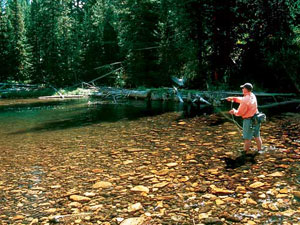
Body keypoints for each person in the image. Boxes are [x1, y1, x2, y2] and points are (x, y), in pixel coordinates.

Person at [226, 83, 262, 155]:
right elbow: (243, 99)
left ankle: (244, 153)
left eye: (243, 88)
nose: (242, 89)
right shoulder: (252, 95)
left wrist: (234, 111)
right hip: (257, 118)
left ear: (246, 89)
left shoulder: (245, 100)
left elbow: (240, 113)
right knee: (257, 136)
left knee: (247, 138)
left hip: (249, 120)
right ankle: (260, 150)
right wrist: (233, 98)